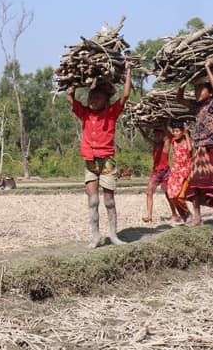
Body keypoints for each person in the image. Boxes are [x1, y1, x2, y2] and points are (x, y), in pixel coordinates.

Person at [67, 61, 133, 248]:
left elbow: (126, 94)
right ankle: (95, 237)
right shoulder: (85, 114)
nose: (92, 100)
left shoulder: (111, 113)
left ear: (106, 100)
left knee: (109, 202)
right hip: (90, 162)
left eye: (97, 97)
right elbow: (70, 99)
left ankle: (113, 235)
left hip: (107, 162)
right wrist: (72, 82)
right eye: (90, 97)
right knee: (93, 200)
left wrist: (128, 71)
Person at [177, 56, 213, 229]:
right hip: (200, 149)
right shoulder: (196, 107)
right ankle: (197, 218)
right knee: (195, 183)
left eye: (200, 89)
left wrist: (208, 69)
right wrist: (183, 80)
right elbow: (179, 98)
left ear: (208, 91)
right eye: (195, 90)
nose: (197, 92)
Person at [139, 126, 178, 223]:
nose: (157, 136)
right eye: (155, 135)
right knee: (149, 192)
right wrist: (140, 127)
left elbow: (171, 137)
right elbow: (145, 137)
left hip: (165, 172)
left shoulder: (166, 144)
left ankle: (174, 214)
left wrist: (164, 126)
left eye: (159, 134)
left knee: (168, 194)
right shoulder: (154, 144)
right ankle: (149, 216)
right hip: (156, 172)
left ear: (163, 135)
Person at [164, 119, 193, 224]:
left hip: (185, 172)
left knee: (180, 196)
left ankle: (188, 213)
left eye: (177, 131)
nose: (175, 133)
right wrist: (164, 125)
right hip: (175, 173)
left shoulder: (188, 141)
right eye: (174, 131)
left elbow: (190, 150)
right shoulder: (174, 141)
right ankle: (184, 216)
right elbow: (167, 133)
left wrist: (186, 134)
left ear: (182, 131)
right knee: (172, 197)